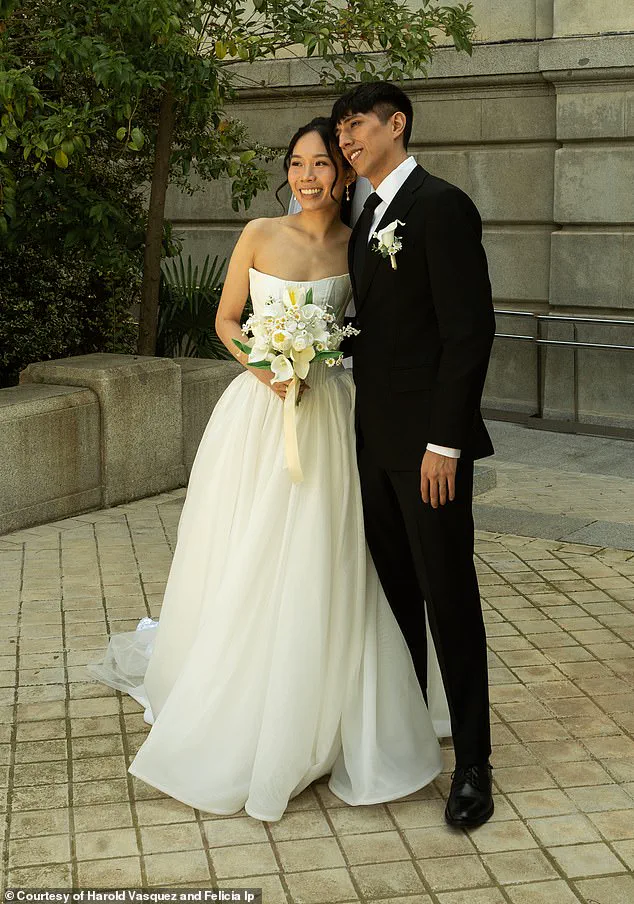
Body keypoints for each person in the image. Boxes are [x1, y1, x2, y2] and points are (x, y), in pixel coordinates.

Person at [88, 117, 449, 823]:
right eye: (296, 164)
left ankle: (322, 707)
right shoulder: (258, 233)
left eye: (322, 164)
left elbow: (376, 330)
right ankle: (240, 695)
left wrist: (330, 366)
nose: (307, 177)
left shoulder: (359, 244)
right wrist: (269, 369)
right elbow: (227, 320)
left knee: (328, 554)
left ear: (343, 173)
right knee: (248, 549)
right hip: (259, 415)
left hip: (331, 415)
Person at [331, 83, 496, 828]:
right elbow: (383, 327)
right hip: (373, 442)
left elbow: (469, 332)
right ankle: (407, 737)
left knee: (447, 596)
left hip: (429, 451)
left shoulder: (441, 206)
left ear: (396, 125)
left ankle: (475, 765)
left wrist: (444, 443)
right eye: (341, 129)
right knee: (396, 594)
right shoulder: (364, 216)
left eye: (356, 125)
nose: (346, 140)